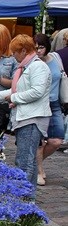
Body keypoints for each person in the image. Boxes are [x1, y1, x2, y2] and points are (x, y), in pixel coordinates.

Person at [0, 35, 51, 191]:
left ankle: (24, 197)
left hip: (32, 118)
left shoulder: (37, 67)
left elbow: (36, 92)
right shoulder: (25, 67)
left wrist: (13, 98)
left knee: (24, 161)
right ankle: (28, 197)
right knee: (28, 160)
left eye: (15, 52)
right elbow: (16, 90)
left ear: (24, 50)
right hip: (25, 117)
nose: (13, 55)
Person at [33, 33, 64, 186]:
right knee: (40, 141)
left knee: (57, 140)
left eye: (41, 47)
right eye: (36, 48)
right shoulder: (32, 62)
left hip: (55, 103)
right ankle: (38, 171)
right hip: (39, 103)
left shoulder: (55, 58)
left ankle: (33, 164)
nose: (38, 51)